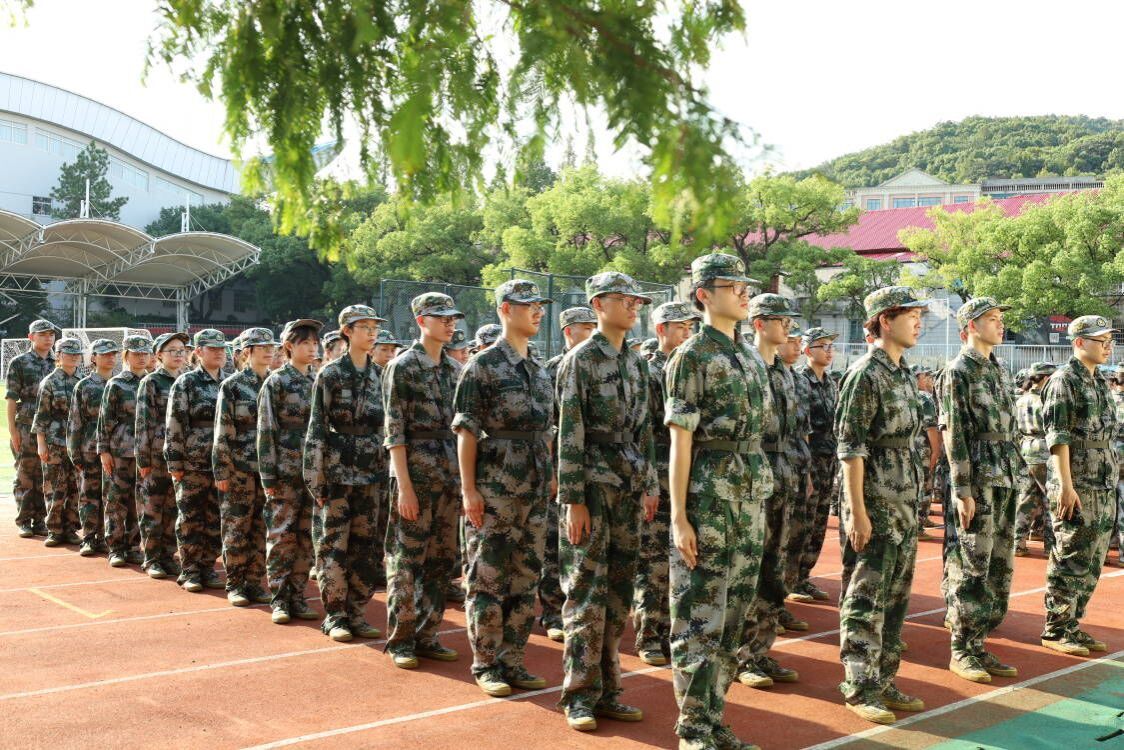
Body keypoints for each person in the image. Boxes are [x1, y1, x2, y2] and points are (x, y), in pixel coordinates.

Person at [666, 252, 770, 750]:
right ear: (704, 294)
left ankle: (712, 720)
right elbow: (680, 440)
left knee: (733, 617)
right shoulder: (690, 356)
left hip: (748, 497)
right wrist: (679, 516)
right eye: (734, 287)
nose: (745, 294)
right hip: (708, 499)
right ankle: (693, 730)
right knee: (699, 616)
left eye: (746, 286)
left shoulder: (749, 356)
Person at [555, 271, 658, 731]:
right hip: (593, 488)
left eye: (637, 301)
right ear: (599, 305)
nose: (634, 306)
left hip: (629, 486)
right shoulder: (580, 360)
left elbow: (645, 429)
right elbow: (569, 433)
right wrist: (574, 500)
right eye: (625, 299)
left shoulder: (636, 362)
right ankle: (579, 695)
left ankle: (610, 688)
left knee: (618, 594)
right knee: (586, 593)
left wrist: (650, 483)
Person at [453, 279, 555, 696]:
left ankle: (513, 659)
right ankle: (487, 663)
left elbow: (547, 429)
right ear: (506, 309)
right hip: (495, 489)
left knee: (526, 577)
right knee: (488, 578)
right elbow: (466, 431)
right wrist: (469, 490)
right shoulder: (483, 365)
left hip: (534, 488)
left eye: (539, 306)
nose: (538, 312)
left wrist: (550, 475)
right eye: (529, 305)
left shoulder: (538, 368)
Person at [835, 286, 929, 724]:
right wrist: (857, 511)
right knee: (865, 598)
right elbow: (850, 449)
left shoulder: (903, 373)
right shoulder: (865, 374)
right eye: (910, 315)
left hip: (904, 502)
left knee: (895, 599)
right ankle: (859, 685)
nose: (918, 323)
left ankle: (884, 679)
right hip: (875, 502)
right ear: (885, 321)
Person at [940, 297, 1021, 683]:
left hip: (1005, 474)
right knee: (972, 565)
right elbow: (954, 432)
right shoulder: (958, 371)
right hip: (979, 479)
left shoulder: (1000, 369)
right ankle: (961, 648)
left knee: (999, 567)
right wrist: (962, 489)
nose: (1000, 324)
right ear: (971, 325)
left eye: (1000, 318)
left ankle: (979, 642)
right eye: (992, 318)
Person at [383, 293, 464, 667]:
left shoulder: (455, 370)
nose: (450, 324)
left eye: (452, 318)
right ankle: (402, 639)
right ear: (421, 321)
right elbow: (394, 432)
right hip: (415, 476)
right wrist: (404, 487)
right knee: (407, 562)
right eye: (441, 317)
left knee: (442, 561)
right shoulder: (402, 366)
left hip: (448, 478)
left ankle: (428, 634)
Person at [304, 305, 388, 642]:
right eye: (364, 327)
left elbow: (387, 427)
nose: (372, 333)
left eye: (374, 327)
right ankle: (336, 615)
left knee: (365, 547)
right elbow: (317, 427)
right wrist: (315, 478)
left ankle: (357, 612)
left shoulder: (381, 375)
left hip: (372, 474)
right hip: (338, 474)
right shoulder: (331, 374)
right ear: (347, 332)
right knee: (334, 546)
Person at [1039, 315, 1117, 657]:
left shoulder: (1098, 380)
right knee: (1070, 556)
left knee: (1093, 559)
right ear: (1079, 343)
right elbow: (1058, 438)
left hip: (1102, 482)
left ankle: (1073, 624)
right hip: (1078, 482)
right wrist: (1065, 486)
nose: (1108, 347)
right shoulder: (1064, 380)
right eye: (1101, 341)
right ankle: (1056, 629)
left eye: (1109, 341)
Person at [737, 293, 802, 688]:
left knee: (774, 568)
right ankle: (743, 655)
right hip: (753, 477)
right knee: (750, 568)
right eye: (782, 321)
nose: (788, 329)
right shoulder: (745, 365)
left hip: (783, 475)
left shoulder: (784, 371)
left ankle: (761, 649)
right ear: (759, 323)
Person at [634, 300, 700, 667]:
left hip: (688, 476)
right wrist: (648, 484)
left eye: (690, 328)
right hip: (657, 474)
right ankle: (649, 635)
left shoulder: (690, 368)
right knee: (654, 562)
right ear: (661, 330)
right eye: (680, 328)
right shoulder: (649, 372)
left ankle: (677, 633)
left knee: (684, 561)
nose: (687, 334)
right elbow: (642, 433)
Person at [258, 319, 323, 624]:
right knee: (282, 536)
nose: (312, 348)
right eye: (305, 343)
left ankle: (298, 595)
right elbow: (266, 430)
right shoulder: (277, 382)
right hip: (285, 472)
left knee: (307, 536)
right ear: (288, 347)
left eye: (314, 343)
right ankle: (280, 598)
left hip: (313, 472)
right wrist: (268, 475)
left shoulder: (318, 380)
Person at [540, 306, 598, 643]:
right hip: (561, 466)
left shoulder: (598, 364)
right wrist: (552, 472)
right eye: (584, 327)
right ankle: (552, 612)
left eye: (593, 326)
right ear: (568, 332)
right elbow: (548, 425)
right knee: (554, 543)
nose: (591, 332)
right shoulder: (553, 369)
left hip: (592, 467)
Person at [214, 327, 277, 607]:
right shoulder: (233, 386)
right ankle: (236, 583)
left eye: (271, 347)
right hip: (239, 468)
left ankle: (254, 581)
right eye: (261, 347)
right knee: (237, 526)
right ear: (247, 352)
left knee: (262, 527)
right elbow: (223, 430)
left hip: (268, 469)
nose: (268, 351)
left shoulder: (277, 383)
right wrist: (221, 469)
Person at [166, 329, 228, 592]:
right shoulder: (187, 382)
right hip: (193, 461)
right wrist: (175, 462)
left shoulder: (230, 382)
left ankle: (207, 566)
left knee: (215, 517)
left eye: (222, 348)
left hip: (221, 462)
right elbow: (175, 424)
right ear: (199, 352)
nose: (219, 353)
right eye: (212, 348)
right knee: (191, 517)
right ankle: (190, 569)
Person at [135, 332, 190, 579]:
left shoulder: (188, 380)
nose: (178, 355)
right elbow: (143, 423)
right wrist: (143, 459)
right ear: (158, 355)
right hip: (157, 456)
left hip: (182, 455)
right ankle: (152, 558)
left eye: (182, 350)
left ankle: (168, 555)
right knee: (153, 508)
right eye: (172, 351)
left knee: (173, 509)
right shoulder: (151, 382)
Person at [792, 326, 839, 602]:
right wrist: (807, 469)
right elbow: (802, 430)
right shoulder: (801, 382)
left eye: (831, 346)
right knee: (803, 523)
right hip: (808, 460)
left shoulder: (831, 383)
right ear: (808, 351)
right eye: (823, 346)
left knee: (819, 522)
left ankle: (804, 576)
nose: (829, 351)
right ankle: (792, 578)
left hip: (828, 461)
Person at [97, 334, 153, 567]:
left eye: (145, 353)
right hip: (120, 451)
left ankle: (133, 545)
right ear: (126, 356)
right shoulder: (116, 384)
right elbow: (105, 420)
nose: (141, 357)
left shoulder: (152, 381)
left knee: (139, 501)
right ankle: (116, 547)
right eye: (136, 353)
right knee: (116, 500)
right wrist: (103, 451)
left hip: (146, 452)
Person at [7, 318, 59, 537]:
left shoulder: (59, 362)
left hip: (53, 427)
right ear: (31, 337)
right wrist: (13, 431)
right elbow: (11, 399)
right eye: (42, 334)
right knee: (26, 474)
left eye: (51, 334)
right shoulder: (19, 362)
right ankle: (24, 520)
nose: (48, 338)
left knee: (48, 475)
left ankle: (41, 520)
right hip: (27, 425)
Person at [68, 339, 119, 555]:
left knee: (113, 497)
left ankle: (108, 537)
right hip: (89, 448)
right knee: (89, 494)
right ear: (93, 358)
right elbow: (75, 421)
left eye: (113, 354)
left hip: (116, 449)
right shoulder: (84, 385)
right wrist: (74, 452)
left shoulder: (121, 383)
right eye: (104, 354)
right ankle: (89, 537)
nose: (110, 358)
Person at [777, 322, 812, 632]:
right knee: (773, 542)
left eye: (799, 341)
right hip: (776, 468)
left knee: (794, 538)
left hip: (798, 467)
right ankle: (764, 610)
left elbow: (804, 430)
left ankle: (780, 602)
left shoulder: (799, 381)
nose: (796, 346)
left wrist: (808, 470)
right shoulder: (765, 374)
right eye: (791, 340)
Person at [33, 337, 83, 547]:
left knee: (75, 487)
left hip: (77, 444)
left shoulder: (83, 381)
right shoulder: (50, 382)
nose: (73, 357)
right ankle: (54, 529)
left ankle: (70, 528)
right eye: (68, 353)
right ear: (59, 356)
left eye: (76, 354)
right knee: (54, 488)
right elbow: (41, 415)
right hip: (55, 442)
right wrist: (41, 443)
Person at [1015, 362, 1057, 557]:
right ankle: (1051, 546)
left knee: (1025, 499)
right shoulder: (1047, 400)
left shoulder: (1021, 400)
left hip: (1025, 449)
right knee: (1051, 499)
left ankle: (1017, 542)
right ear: (1046, 378)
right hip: (1045, 450)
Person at [915, 367, 942, 540]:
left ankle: (921, 519)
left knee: (920, 485)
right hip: (923, 448)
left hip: (911, 447)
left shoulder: (907, 394)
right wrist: (936, 451)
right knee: (924, 485)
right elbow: (931, 427)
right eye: (925, 377)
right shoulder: (924, 398)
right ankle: (918, 525)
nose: (929, 380)